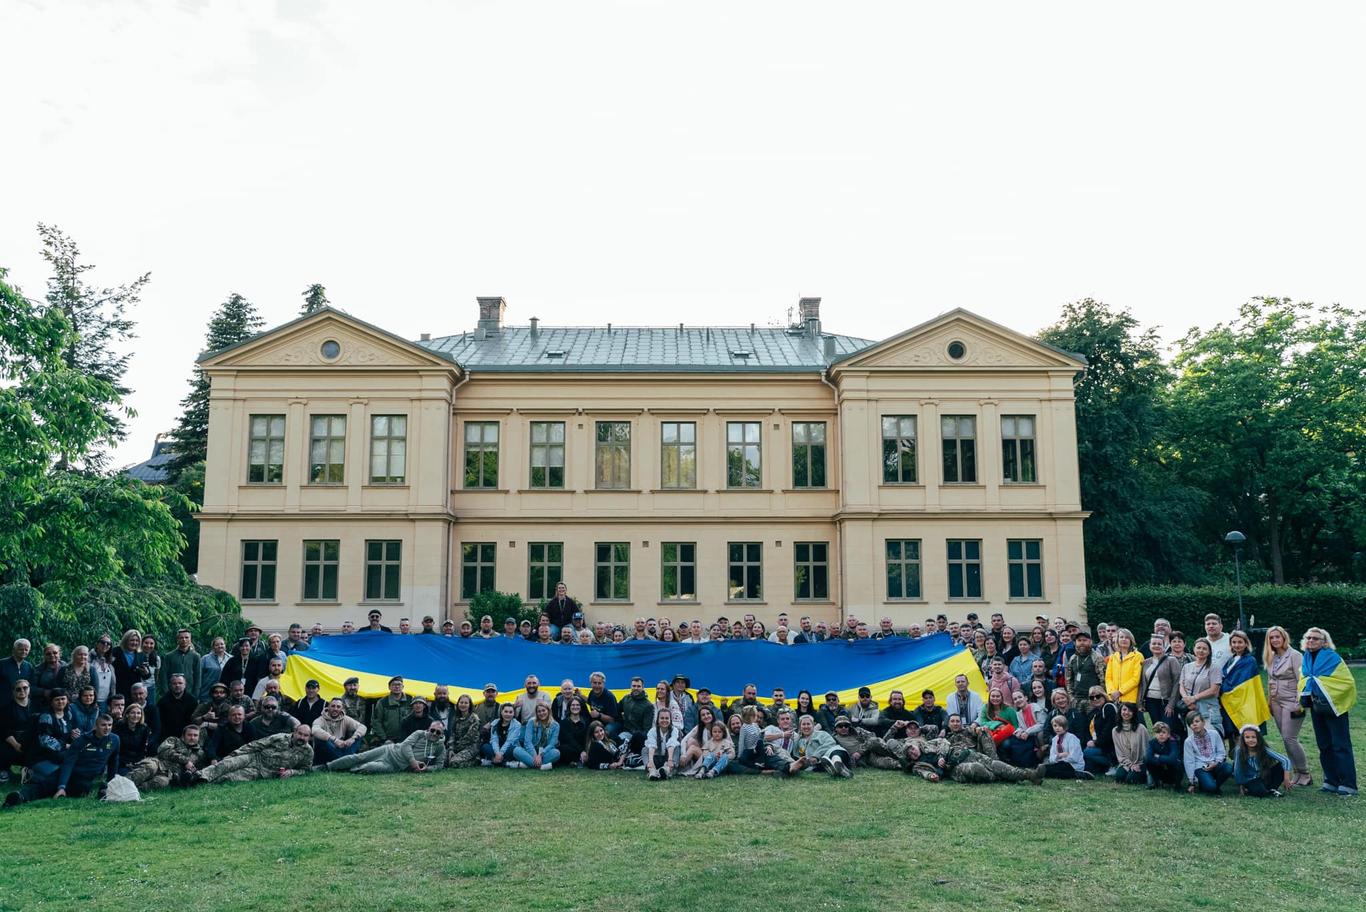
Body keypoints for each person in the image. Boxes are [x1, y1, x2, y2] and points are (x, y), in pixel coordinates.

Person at [4, 714, 119, 808]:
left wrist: (111, 783)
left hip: (86, 779)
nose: (107, 728)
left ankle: (57, 789)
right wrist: (62, 786)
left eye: (110, 725)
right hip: (70, 772)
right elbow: (68, 763)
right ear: (96, 726)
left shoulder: (115, 740)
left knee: (81, 789)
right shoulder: (81, 740)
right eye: (103, 725)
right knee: (45, 785)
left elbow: (114, 761)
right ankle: (19, 797)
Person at [1299, 626, 1358, 796]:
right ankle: (1331, 781)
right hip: (1317, 707)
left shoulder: (1332, 658)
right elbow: (1304, 679)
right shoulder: (1307, 657)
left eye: (1315, 638)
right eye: (1309, 637)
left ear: (1324, 642)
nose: (1311, 640)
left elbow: (1347, 682)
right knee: (1324, 745)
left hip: (1334, 706)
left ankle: (1348, 784)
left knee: (1341, 745)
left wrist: (1320, 685)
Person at [1263, 625, 1310, 787]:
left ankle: (1305, 773)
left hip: (1292, 701)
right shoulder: (1272, 656)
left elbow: (1303, 680)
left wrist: (1300, 703)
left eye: (1277, 637)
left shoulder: (1295, 655)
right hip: (1276, 701)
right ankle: (1296, 772)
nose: (1275, 640)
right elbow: (1270, 680)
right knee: (1285, 738)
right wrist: (1269, 701)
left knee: (1290, 738)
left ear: (1284, 637)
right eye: (1271, 637)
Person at [195, 724, 314, 784]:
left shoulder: (308, 752)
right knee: (226, 764)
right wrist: (235, 754)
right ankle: (198, 776)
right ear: (295, 732)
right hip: (254, 758)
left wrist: (292, 772)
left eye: (305, 735)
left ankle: (204, 783)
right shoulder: (280, 737)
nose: (302, 737)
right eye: (300, 733)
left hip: (264, 772)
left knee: (229, 777)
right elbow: (256, 745)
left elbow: (306, 770)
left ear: (309, 737)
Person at [326, 722, 446, 774]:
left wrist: (426, 769)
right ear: (428, 729)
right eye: (432, 730)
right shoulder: (419, 733)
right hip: (389, 750)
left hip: (395, 766)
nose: (434, 734)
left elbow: (439, 765)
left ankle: (345, 769)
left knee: (369, 767)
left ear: (442, 734)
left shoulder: (440, 746)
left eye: (438, 732)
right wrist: (413, 762)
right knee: (360, 757)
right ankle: (328, 767)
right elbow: (405, 745)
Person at [127, 724, 209, 791]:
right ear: (183, 736)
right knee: (149, 767)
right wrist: (185, 761)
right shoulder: (174, 740)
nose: (192, 738)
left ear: (198, 737)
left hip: (169, 775)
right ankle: (122, 784)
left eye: (195, 735)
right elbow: (162, 750)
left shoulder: (200, 754)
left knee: (161, 783)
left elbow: (198, 772)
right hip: (158, 763)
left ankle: (132, 791)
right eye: (189, 735)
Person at [1232, 725, 1291, 798]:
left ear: (1258, 738)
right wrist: (1241, 786)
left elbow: (1285, 760)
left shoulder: (1263, 748)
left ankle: (1272, 788)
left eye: (1253, 737)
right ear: (1243, 739)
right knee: (1260, 791)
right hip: (1249, 780)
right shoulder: (1239, 750)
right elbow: (1238, 771)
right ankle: (1254, 790)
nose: (1250, 740)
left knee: (1280, 767)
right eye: (1247, 737)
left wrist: (1286, 778)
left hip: (1262, 776)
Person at [1179, 637, 1223, 732]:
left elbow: (1214, 690)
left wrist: (1194, 698)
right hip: (1190, 709)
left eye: (1204, 648)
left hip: (1208, 709)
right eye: (1198, 648)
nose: (1201, 651)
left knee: (1211, 737)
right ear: (1194, 649)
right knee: (1193, 739)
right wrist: (1187, 699)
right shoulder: (1187, 667)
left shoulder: (1214, 668)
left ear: (1209, 652)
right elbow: (1181, 685)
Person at [1183, 711, 1231, 795]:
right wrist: (1192, 782)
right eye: (1191, 723)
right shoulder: (1188, 741)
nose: (1194, 724)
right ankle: (1209, 786)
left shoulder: (1214, 734)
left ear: (1203, 722)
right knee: (1210, 787)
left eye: (1197, 721)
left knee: (1228, 768)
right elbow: (1189, 761)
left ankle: (1214, 785)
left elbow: (1221, 752)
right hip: (1201, 767)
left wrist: (1215, 763)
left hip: (1215, 763)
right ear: (1189, 726)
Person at [312, 698, 367, 764]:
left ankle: (342, 761)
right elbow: (314, 730)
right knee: (321, 739)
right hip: (329, 749)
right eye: (333, 706)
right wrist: (334, 740)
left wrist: (353, 738)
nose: (335, 709)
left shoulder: (345, 719)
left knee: (359, 736)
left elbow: (363, 727)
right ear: (328, 707)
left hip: (342, 748)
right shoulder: (320, 719)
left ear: (342, 709)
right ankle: (345, 761)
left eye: (338, 707)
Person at [0, 680, 35, 781]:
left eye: (25, 688)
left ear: (29, 689)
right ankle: (3, 770)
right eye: (18, 689)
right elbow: (4, 730)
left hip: (31, 740)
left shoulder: (37, 706)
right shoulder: (6, 709)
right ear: (13, 691)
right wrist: (16, 745)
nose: (22, 690)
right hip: (12, 741)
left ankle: (29, 770)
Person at [1083, 687, 1119, 776]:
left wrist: (1096, 743)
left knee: (1087, 752)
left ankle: (1114, 763)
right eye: (1092, 697)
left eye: (1098, 696)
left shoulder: (1108, 707)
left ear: (1104, 696)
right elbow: (1088, 729)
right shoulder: (1094, 711)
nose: (1095, 699)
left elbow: (1109, 730)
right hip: (1101, 744)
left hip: (1111, 746)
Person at [513, 702, 560, 770]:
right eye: (539, 711)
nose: (541, 713)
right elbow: (527, 742)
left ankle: (528, 764)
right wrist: (535, 756)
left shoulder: (555, 725)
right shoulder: (531, 722)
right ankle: (542, 766)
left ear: (548, 711)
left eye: (543, 710)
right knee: (516, 750)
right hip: (531, 752)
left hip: (545, 753)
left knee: (556, 753)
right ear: (536, 713)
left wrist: (540, 755)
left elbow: (551, 744)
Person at [1111, 702, 1148, 785]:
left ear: (1134, 713)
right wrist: (1130, 765)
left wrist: (1141, 765)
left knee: (1131, 780)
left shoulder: (1141, 728)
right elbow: (1119, 753)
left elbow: (1146, 749)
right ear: (1120, 712)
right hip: (1126, 763)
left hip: (1140, 762)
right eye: (1124, 710)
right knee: (1119, 778)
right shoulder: (1115, 731)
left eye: (1130, 711)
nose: (1126, 713)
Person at [160, 629, 202, 702]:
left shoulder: (196, 656)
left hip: (190, 693)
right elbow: (163, 676)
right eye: (181, 638)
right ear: (177, 639)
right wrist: (166, 693)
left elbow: (198, 676)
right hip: (172, 694)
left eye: (186, 637)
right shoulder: (169, 656)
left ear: (190, 639)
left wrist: (195, 694)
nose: (184, 640)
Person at [369, 676, 413, 745]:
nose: (397, 687)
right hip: (388, 740)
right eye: (394, 685)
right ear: (389, 687)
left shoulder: (410, 700)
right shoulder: (382, 702)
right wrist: (384, 739)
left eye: (399, 684)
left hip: (406, 739)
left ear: (403, 687)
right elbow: (376, 722)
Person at [1065, 630, 1103, 709]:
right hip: (1076, 699)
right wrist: (1071, 697)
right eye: (1079, 640)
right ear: (1075, 642)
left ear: (1090, 642)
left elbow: (1103, 679)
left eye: (1084, 640)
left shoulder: (1097, 657)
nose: (1082, 643)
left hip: (1093, 699)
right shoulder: (1073, 658)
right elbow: (1068, 679)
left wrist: (1100, 698)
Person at [1041, 715, 1086, 779]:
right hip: (1060, 763)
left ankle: (1080, 774)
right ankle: (1037, 773)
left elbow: (1074, 757)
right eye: (1055, 726)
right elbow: (1051, 758)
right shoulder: (1054, 739)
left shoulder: (1072, 738)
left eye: (1060, 726)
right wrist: (1059, 756)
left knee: (1050, 770)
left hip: (1073, 765)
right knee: (1049, 769)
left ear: (1065, 727)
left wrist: (1061, 758)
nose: (1057, 728)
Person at [113, 702, 154, 773]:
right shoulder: (118, 727)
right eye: (133, 713)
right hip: (121, 761)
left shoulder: (144, 729)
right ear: (127, 715)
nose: (136, 715)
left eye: (138, 713)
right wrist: (126, 762)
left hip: (137, 761)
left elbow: (142, 750)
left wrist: (136, 762)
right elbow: (116, 750)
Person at [1104, 628, 1142, 705]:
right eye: (1121, 637)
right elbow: (1108, 677)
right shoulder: (1113, 657)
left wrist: (1120, 692)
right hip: (1114, 698)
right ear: (1117, 640)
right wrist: (1112, 692)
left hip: (1130, 699)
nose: (1124, 639)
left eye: (1127, 637)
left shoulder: (1138, 656)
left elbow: (1136, 679)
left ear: (1131, 640)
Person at [445, 695, 483, 768]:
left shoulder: (474, 719)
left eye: (466, 703)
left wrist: (456, 749)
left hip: (470, 747)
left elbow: (469, 738)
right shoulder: (456, 717)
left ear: (470, 705)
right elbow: (452, 735)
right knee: (444, 761)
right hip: (456, 747)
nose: (463, 705)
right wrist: (451, 749)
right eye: (461, 702)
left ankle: (476, 761)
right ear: (458, 704)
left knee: (454, 763)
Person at [1144, 721, 1183, 790]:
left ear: (1168, 735)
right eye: (1158, 732)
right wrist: (1164, 761)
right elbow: (1149, 757)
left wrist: (1158, 756)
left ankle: (1176, 785)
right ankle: (1156, 782)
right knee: (1147, 761)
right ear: (1155, 734)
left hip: (1171, 770)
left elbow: (1172, 759)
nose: (1161, 735)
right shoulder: (1152, 743)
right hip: (1160, 768)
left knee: (1177, 764)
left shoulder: (1173, 743)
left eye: (1164, 732)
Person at [644, 707, 680, 780]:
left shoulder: (674, 730)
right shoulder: (652, 731)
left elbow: (671, 744)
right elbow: (652, 746)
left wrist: (669, 760)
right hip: (656, 758)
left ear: (670, 720)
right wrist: (651, 761)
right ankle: (652, 771)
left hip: (668, 758)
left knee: (677, 748)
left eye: (667, 718)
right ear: (658, 720)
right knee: (644, 749)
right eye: (662, 718)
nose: (664, 720)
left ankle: (667, 770)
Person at [1, 639, 34, 708]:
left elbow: (31, 686)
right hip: (3, 704)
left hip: (22, 705)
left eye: (26, 650)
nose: (24, 652)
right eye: (21, 649)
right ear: (14, 650)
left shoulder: (28, 666)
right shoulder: (2, 664)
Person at [199, 638, 230, 704]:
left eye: (222, 644)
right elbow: (199, 676)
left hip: (225, 693)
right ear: (213, 647)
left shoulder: (231, 658)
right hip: (207, 693)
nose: (220, 646)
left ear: (225, 645)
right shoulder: (205, 659)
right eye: (217, 645)